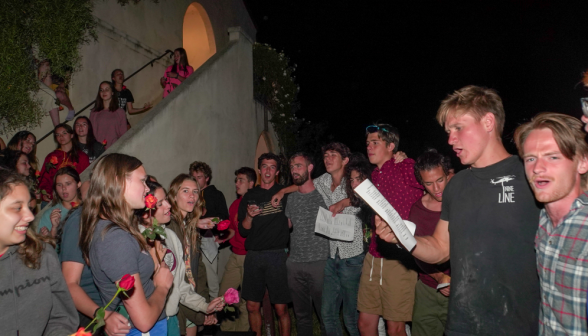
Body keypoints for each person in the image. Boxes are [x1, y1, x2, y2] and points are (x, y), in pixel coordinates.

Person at [375, 85, 541, 336]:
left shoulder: (530, 175)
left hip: (518, 323)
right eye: (448, 131)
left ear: (488, 122)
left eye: (458, 128)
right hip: (462, 322)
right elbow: (441, 247)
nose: (451, 139)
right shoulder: (457, 185)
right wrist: (402, 237)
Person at [80, 153, 174, 335]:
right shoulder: (115, 238)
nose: (147, 189)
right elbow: (144, 320)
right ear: (119, 182)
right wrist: (162, 287)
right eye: (142, 181)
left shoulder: (115, 229)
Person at [514, 112, 588, 335]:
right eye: (530, 158)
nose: (537, 168)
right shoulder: (544, 221)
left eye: (552, 157)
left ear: (582, 162)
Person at [136, 180, 225, 336]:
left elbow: (181, 285)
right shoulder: (134, 239)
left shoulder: (170, 236)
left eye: (195, 191)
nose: (168, 206)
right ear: (145, 209)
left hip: (169, 318)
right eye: (161, 202)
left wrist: (205, 306)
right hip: (145, 321)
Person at [358, 124, 423, 336]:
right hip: (374, 255)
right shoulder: (374, 176)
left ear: (391, 146)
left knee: (395, 328)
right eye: (368, 143)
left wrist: (406, 159)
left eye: (375, 142)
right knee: (365, 324)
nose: (369, 147)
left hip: (398, 258)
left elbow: (434, 187)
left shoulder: (406, 167)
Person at [0, 170, 79, 335]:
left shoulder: (41, 254)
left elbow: (60, 318)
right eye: (17, 208)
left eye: (28, 206)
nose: (29, 216)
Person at [60, 173, 130, 335]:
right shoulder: (80, 218)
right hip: (91, 315)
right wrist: (103, 316)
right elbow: (70, 283)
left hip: (115, 310)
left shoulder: (117, 218)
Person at [238, 152, 292, 336]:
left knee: (281, 308)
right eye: (265, 166)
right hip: (254, 256)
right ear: (259, 170)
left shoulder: (285, 192)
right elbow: (243, 230)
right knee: (252, 306)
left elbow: (303, 185)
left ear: (277, 171)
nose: (268, 170)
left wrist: (284, 190)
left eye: (272, 167)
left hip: (277, 255)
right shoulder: (249, 195)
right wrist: (249, 216)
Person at [166, 174, 217, 336]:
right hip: (177, 303)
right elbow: (176, 281)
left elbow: (199, 270)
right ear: (174, 196)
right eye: (186, 191)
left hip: (193, 300)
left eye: (195, 191)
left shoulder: (190, 226)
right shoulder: (168, 228)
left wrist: (205, 305)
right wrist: (202, 312)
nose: (192, 196)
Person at [285, 152, 330, 336]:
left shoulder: (324, 195)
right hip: (295, 264)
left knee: (325, 315)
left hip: (319, 262)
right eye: (292, 166)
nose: (294, 170)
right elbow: (287, 226)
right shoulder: (291, 198)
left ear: (310, 168)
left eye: (298, 165)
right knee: (301, 315)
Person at [409, 149, 452, 336]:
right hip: (428, 288)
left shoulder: (463, 203)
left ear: (449, 174)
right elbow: (416, 251)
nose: (436, 189)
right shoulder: (417, 210)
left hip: (463, 290)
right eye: (429, 183)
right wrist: (439, 277)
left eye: (440, 180)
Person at [218, 167, 256, 332]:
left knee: (247, 300)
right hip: (235, 256)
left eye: (241, 180)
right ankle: (226, 330)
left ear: (251, 183)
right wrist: (223, 237)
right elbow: (233, 229)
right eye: (236, 180)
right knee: (225, 295)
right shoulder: (235, 204)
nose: (237, 183)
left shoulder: (255, 204)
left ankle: (242, 331)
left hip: (250, 257)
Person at [190, 161, 230, 299]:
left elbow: (224, 218)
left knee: (212, 281)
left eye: (199, 177)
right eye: (193, 177)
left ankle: (216, 314)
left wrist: (207, 217)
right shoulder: (190, 194)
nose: (195, 180)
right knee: (194, 280)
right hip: (191, 242)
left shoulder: (215, 194)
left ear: (207, 178)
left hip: (208, 241)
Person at [38, 124, 90, 208]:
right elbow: (44, 179)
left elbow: (86, 179)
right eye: (58, 135)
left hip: (74, 199)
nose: (61, 136)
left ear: (72, 135)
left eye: (64, 133)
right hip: (53, 200)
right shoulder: (51, 156)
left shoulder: (82, 156)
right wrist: (44, 193)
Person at [37, 167, 82, 238]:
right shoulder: (50, 214)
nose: (63, 188)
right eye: (59, 185)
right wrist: (53, 230)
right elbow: (43, 246)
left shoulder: (89, 208)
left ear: (78, 184)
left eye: (68, 184)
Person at [89, 81, 127, 149]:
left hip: (115, 149)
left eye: (107, 89)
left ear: (112, 92)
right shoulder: (94, 112)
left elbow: (123, 135)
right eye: (101, 90)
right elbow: (91, 134)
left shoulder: (120, 112)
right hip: (98, 150)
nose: (104, 92)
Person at [32, 59, 69, 126]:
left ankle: (58, 126)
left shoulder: (58, 63)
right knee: (51, 93)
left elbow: (68, 71)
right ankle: (57, 127)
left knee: (55, 94)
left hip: (55, 88)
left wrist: (62, 84)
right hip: (46, 87)